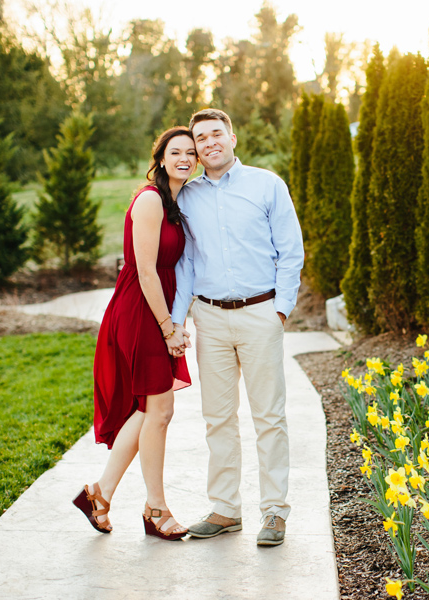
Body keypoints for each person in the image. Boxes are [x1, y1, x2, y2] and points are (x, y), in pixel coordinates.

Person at [170, 108, 304, 546]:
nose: (208, 143)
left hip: (260, 314)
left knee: (269, 416)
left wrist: (280, 310)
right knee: (217, 418)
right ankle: (226, 509)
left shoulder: (267, 184)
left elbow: (291, 250)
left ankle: (274, 513)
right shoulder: (187, 198)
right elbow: (187, 263)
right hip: (209, 317)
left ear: (231, 136)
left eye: (215, 134)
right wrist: (177, 319)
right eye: (200, 139)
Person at [73, 126, 195, 541]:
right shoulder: (150, 200)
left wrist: (177, 321)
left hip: (156, 307)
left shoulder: (174, 203)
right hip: (141, 310)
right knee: (158, 412)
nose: (185, 158)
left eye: (190, 153)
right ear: (160, 158)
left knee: (149, 411)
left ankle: (100, 495)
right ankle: (155, 509)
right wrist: (167, 328)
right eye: (175, 151)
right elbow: (145, 269)